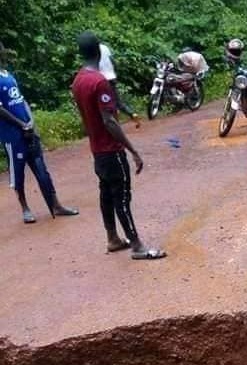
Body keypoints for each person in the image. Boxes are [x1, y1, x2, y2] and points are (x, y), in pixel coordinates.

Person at [72, 32, 166, 260]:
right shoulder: (99, 82)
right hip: (111, 151)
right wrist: (132, 150)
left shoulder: (78, 81)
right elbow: (109, 120)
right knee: (122, 198)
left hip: (97, 151)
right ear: (98, 51)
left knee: (106, 195)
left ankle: (113, 238)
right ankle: (137, 246)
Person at [0, 41, 78, 223]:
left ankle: (55, 204)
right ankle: (24, 207)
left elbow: (21, 99)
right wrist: (21, 124)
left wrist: (31, 121)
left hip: (28, 130)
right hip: (12, 134)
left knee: (42, 169)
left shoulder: (8, 75)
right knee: (18, 172)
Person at [98, 42, 140, 127]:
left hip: (101, 79)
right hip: (111, 76)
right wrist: (114, 72)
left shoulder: (92, 50)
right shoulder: (105, 47)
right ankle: (132, 114)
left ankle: (112, 123)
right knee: (117, 101)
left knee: (104, 103)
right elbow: (112, 61)